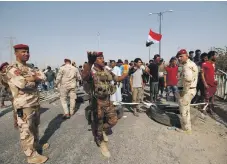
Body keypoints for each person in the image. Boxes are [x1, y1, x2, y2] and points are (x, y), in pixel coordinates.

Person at [82, 51, 131, 158]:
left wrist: (128, 73)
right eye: (99, 58)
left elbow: (117, 79)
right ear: (94, 60)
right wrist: (89, 63)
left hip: (107, 101)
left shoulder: (107, 70)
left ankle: (100, 130)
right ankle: (100, 141)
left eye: (103, 58)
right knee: (98, 122)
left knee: (113, 120)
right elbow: (84, 77)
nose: (103, 60)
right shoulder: (91, 71)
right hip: (97, 103)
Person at [6, 44, 49, 163]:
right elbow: (22, 84)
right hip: (23, 105)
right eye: (23, 52)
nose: (26, 54)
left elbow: (43, 77)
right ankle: (31, 155)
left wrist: (31, 78)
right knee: (26, 129)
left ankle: (35, 146)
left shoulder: (30, 67)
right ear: (16, 53)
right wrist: (34, 79)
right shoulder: (12, 68)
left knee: (34, 127)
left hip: (34, 102)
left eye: (27, 52)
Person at [176, 49, 198, 134]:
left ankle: (185, 129)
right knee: (187, 109)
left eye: (181, 56)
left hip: (187, 91)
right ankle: (187, 127)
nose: (179, 58)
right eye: (178, 56)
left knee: (183, 110)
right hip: (191, 90)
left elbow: (188, 80)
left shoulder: (187, 66)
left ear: (187, 56)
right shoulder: (191, 64)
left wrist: (184, 91)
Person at [201, 51, 218, 115]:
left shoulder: (213, 64)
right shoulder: (204, 64)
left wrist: (215, 79)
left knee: (212, 97)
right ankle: (204, 110)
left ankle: (210, 109)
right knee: (206, 98)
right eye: (215, 55)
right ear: (212, 56)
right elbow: (202, 75)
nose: (216, 57)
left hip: (213, 84)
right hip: (207, 84)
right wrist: (205, 83)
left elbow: (213, 73)